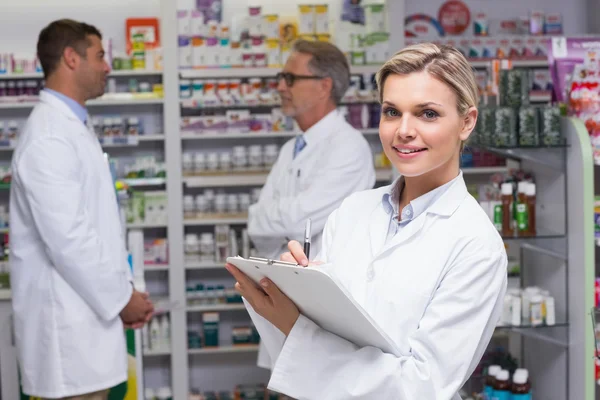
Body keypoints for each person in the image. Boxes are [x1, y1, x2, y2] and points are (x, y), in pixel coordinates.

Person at [226, 42, 508, 399]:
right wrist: (294, 294)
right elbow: (328, 336)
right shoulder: (353, 211)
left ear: (466, 122)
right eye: (392, 112)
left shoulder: (476, 246)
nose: (404, 130)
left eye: (428, 114)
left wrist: (296, 326)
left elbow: (421, 386)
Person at [9, 19, 153, 400]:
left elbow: (98, 229)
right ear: (71, 58)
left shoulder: (72, 128)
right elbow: (69, 240)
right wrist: (123, 299)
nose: (108, 66)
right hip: (67, 337)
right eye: (100, 55)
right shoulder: (49, 137)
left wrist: (128, 289)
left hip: (87, 328)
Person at [247, 39, 376, 262]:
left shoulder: (348, 147)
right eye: (281, 78)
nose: (280, 87)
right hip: (283, 281)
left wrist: (276, 219)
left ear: (323, 87)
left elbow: (298, 222)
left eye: (291, 79)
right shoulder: (291, 148)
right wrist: (281, 220)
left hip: (322, 288)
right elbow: (255, 224)